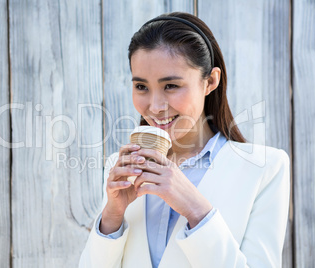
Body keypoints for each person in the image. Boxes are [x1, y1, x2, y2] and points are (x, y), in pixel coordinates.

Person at [80, 12, 290, 268]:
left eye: (171, 86)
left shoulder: (265, 168)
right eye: (142, 87)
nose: (155, 107)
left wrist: (196, 210)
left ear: (210, 81)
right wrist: (112, 216)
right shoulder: (122, 166)